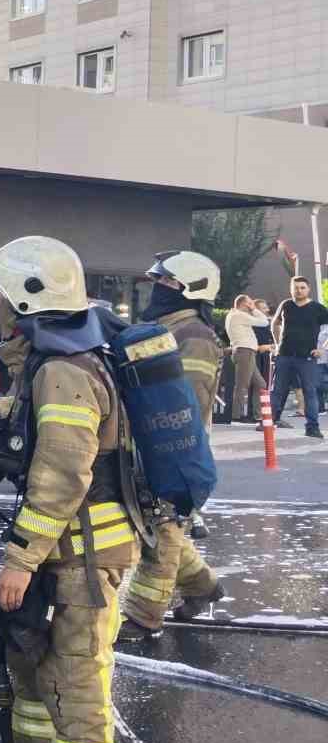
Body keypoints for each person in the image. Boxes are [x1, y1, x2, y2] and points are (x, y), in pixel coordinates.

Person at [0, 236, 135, 743]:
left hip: (82, 554)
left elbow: (62, 476)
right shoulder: (52, 364)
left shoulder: (66, 372)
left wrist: (19, 560)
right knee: (37, 665)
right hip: (65, 548)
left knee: (75, 679)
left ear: (25, 301)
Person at [118, 252, 225, 636]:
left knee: (162, 526)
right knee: (163, 525)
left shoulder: (193, 336)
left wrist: (161, 453)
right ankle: (204, 587)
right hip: (146, 444)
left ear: (190, 290)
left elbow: (185, 407)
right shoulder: (162, 327)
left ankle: (144, 618)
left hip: (170, 450)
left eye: (167, 283)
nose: (158, 288)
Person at [268, 277, 328, 439]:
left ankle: (312, 427)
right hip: (284, 355)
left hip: (306, 357)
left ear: (308, 290)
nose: (299, 290)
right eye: (296, 288)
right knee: (277, 390)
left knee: (310, 392)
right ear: (291, 289)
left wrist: (322, 348)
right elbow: (275, 323)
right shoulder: (286, 305)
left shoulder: (317, 308)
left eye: (302, 287)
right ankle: (270, 421)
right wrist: (277, 343)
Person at [224, 295, 268, 422]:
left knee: (261, 384)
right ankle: (236, 417)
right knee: (242, 386)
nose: (252, 305)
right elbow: (264, 322)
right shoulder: (239, 315)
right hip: (245, 352)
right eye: (250, 303)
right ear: (244, 304)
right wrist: (254, 309)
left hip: (245, 352)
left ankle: (258, 415)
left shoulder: (233, 315)